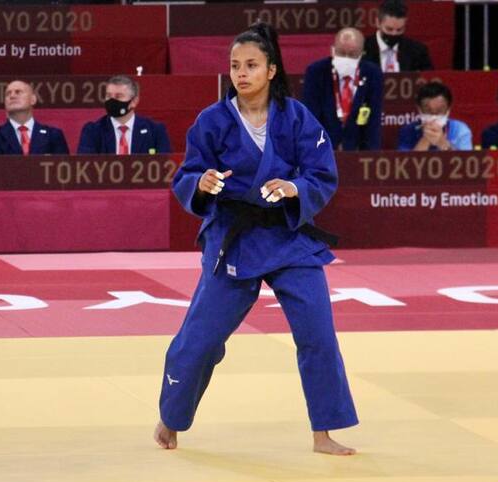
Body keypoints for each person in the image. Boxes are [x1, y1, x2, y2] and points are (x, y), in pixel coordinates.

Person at [153, 22, 358, 456]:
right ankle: (171, 417)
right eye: (234, 66)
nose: (241, 73)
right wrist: (202, 181)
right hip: (235, 237)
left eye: (250, 65)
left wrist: (295, 189)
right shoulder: (212, 121)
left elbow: (320, 172)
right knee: (201, 339)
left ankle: (325, 431)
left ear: (271, 70)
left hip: (290, 237)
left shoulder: (298, 117)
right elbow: (187, 174)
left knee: (318, 335)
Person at [302, 28, 383, 151]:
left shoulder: (373, 74)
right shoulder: (316, 71)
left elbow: (373, 121)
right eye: (341, 53)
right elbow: (311, 117)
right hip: (323, 148)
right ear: (332, 50)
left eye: (352, 55)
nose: (346, 59)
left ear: (362, 54)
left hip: (357, 149)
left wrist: (369, 157)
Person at [76, 75, 171, 155]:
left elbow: (164, 168)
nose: (111, 101)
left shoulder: (155, 131)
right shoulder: (92, 131)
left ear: (134, 101)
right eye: (108, 96)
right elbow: (86, 169)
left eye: (118, 96)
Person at [0, 80, 69, 155]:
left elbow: (61, 171)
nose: (12, 96)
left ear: (33, 99)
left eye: (18, 92)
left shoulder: (53, 135)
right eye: (8, 94)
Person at [398, 81, 472, 151]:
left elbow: (466, 162)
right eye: (428, 110)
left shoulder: (460, 129)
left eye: (439, 110)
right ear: (419, 109)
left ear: (448, 109)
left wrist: (442, 142)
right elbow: (407, 163)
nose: (434, 115)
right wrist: (426, 139)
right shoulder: (408, 130)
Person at [363, 0, 433, 73]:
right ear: (378, 23)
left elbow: (429, 80)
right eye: (389, 29)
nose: (394, 34)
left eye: (399, 30)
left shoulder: (418, 51)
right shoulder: (362, 48)